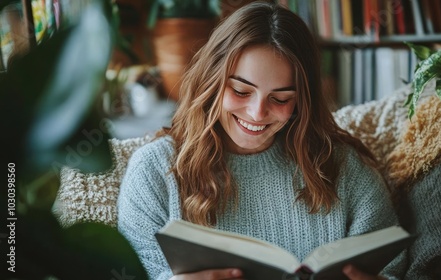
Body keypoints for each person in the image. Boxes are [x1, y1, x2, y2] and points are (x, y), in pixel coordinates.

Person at [117, 1, 407, 279]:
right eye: (241, 92)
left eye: (281, 98)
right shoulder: (155, 171)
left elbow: (392, 267)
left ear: (302, 102)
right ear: (211, 82)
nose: (257, 113)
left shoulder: (343, 167)